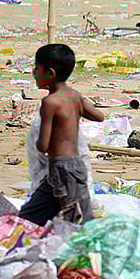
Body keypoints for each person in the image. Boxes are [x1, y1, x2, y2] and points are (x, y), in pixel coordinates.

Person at [19, 44, 105, 226]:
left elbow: (42, 145)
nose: (34, 72)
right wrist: (77, 110)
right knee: (29, 216)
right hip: (68, 168)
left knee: (78, 220)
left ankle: (89, 252)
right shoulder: (74, 95)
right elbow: (99, 116)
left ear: (49, 73)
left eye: (36, 67)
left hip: (63, 168)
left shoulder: (50, 102)